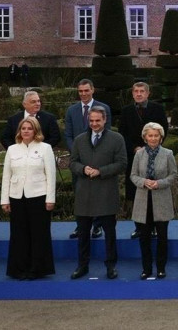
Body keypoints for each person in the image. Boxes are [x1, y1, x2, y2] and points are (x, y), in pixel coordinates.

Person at [69, 107, 128, 280]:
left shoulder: (116, 139)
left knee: (110, 234)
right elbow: (72, 163)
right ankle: (82, 266)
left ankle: (110, 266)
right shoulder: (79, 140)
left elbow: (122, 163)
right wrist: (83, 169)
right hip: (84, 193)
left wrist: (100, 171)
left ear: (105, 120)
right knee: (83, 234)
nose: (94, 124)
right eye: (91, 120)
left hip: (106, 193)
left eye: (98, 120)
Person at [1, 116, 57, 280]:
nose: (26, 131)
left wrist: (50, 199)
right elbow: (6, 176)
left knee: (39, 234)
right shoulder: (12, 149)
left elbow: (51, 175)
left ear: (36, 131)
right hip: (17, 197)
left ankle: (37, 269)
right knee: (18, 234)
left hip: (39, 196)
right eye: (23, 128)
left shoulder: (45, 148)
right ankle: (19, 269)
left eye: (29, 128)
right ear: (19, 131)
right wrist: (4, 200)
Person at [117, 82, 168, 238]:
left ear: (148, 93)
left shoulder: (157, 109)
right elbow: (122, 134)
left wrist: (150, 148)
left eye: (142, 91)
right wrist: (135, 149)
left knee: (152, 192)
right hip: (134, 158)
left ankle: (152, 227)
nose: (139, 94)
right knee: (135, 193)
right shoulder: (126, 111)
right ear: (132, 94)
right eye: (136, 91)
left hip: (154, 157)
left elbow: (163, 130)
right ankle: (139, 228)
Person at [64, 79, 114, 240]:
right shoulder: (71, 110)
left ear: (93, 90)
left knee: (99, 194)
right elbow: (69, 135)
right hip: (79, 162)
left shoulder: (104, 108)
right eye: (80, 91)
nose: (83, 94)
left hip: (99, 161)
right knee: (80, 194)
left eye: (86, 90)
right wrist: (77, 154)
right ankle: (81, 226)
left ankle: (97, 226)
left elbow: (107, 135)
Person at [131, 122, 177, 280]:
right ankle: (146, 268)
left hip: (161, 200)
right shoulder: (139, 154)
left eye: (156, 135)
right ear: (145, 137)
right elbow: (133, 175)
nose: (153, 138)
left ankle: (161, 268)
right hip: (143, 202)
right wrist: (143, 182)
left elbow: (173, 175)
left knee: (162, 238)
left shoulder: (168, 153)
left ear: (161, 137)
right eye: (150, 135)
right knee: (144, 238)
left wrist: (159, 183)